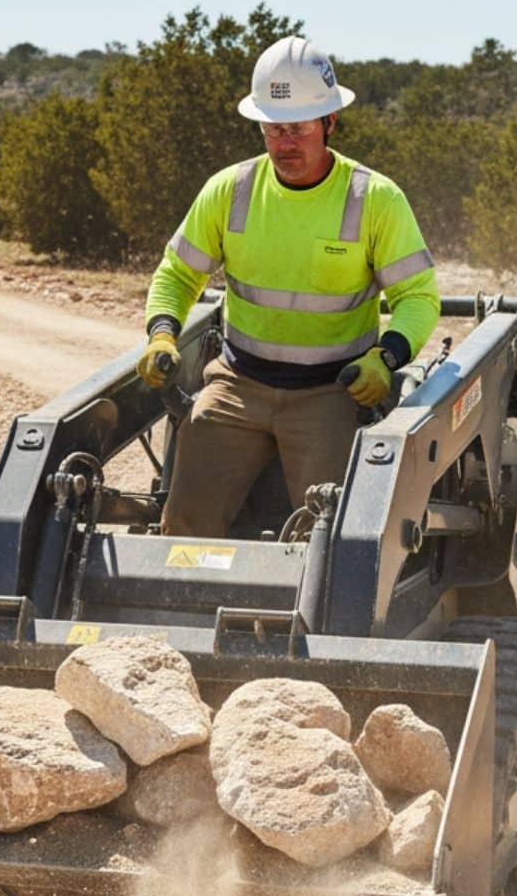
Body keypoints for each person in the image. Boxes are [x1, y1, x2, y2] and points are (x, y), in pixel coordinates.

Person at [136, 35, 441, 537]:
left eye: (298, 129)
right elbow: (177, 273)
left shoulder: (375, 199)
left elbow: (417, 297)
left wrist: (383, 358)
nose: (285, 144)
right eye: (273, 130)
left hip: (329, 392)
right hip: (238, 385)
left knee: (329, 541)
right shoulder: (229, 191)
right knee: (184, 524)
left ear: (330, 122)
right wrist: (163, 333)